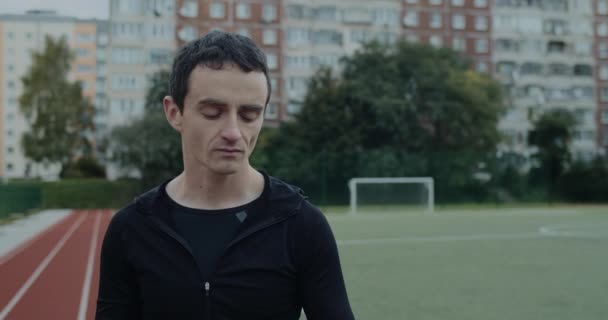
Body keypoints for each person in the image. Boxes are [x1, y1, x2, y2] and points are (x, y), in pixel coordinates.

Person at [96, 30, 355, 320]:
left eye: (249, 115)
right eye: (212, 112)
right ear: (174, 112)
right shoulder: (131, 229)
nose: (233, 132)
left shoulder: (300, 224)